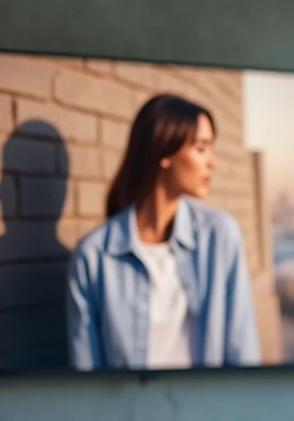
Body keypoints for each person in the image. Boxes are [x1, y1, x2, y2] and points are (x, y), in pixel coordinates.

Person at [67, 93, 261, 371]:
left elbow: (243, 351)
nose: (213, 162)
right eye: (201, 148)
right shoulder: (94, 256)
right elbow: (87, 373)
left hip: (207, 400)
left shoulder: (219, 236)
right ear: (165, 152)